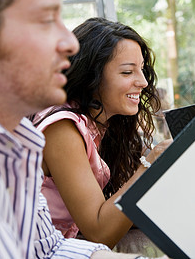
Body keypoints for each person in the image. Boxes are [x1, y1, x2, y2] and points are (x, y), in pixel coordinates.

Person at [0, 0, 164, 258]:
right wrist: (149, 167)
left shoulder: (18, 143)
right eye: (45, 20)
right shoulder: (57, 128)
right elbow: (98, 230)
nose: (71, 43)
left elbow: (49, 248)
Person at [32, 17, 170, 250]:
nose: (144, 82)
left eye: (142, 70)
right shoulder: (62, 128)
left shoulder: (103, 128)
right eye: (127, 72)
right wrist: (150, 165)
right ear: (92, 77)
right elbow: (99, 232)